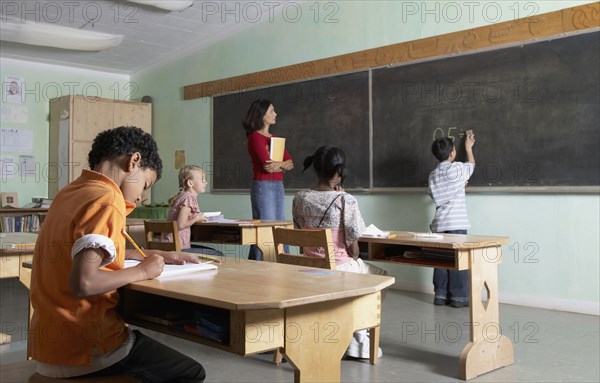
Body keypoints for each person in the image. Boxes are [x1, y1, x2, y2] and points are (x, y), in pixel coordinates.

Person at [28, 127, 206, 382]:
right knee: (191, 372)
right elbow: (84, 282)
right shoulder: (109, 198)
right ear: (134, 161)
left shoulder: (70, 192)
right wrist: (144, 270)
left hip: (49, 346)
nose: (141, 195)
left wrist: (145, 253)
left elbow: (80, 251)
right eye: (145, 184)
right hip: (88, 348)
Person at [292, 145, 387, 360]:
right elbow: (354, 250)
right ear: (340, 172)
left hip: (306, 268)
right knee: (381, 277)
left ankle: (342, 332)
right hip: (338, 269)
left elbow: (299, 235)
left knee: (363, 276)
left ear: (315, 168)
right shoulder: (346, 200)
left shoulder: (299, 197)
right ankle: (358, 338)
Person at [428, 132, 476, 308]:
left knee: (440, 260)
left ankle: (440, 295)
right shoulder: (457, 169)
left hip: (439, 224)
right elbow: (471, 165)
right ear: (453, 153)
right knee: (459, 259)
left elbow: (434, 195)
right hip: (456, 223)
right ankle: (459, 298)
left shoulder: (432, 175)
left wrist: (458, 186)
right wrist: (469, 148)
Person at [242, 99, 294, 260]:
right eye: (271, 111)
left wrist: (278, 165)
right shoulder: (255, 137)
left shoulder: (275, 138)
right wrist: (282, 165)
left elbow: (291, 163)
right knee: (265, 229)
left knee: (280, 226)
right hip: (263, 186)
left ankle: (282, 262)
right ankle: (258, 266)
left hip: (278, 185)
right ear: (261, 115)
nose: (275, 114)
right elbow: (267, 166)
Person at [164, 165, 223, 256]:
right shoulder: (189, 197)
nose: (206, 182)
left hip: (170, 245)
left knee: (212, 251)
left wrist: (196, 218)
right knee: (218, 254)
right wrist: (196, 219)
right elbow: (180, 224)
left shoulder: (182, 196)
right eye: (202, 179)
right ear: (190, 183)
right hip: (178, 248)